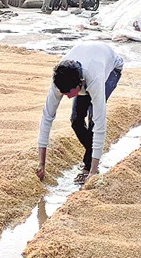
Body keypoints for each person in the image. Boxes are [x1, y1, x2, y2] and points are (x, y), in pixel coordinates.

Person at [36, 42, 124, 185]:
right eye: (64, 94)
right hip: (86, 64)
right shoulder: (59, 81)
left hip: (111, 68)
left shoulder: (95, 79)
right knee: (76, 120)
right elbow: (47, 118)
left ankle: (89, 166)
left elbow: (100, 125)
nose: (69, 97)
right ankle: (93, 156)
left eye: (70, 93)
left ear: (81, 82)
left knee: (93, 119)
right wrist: (41, 163)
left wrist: (92, 173)